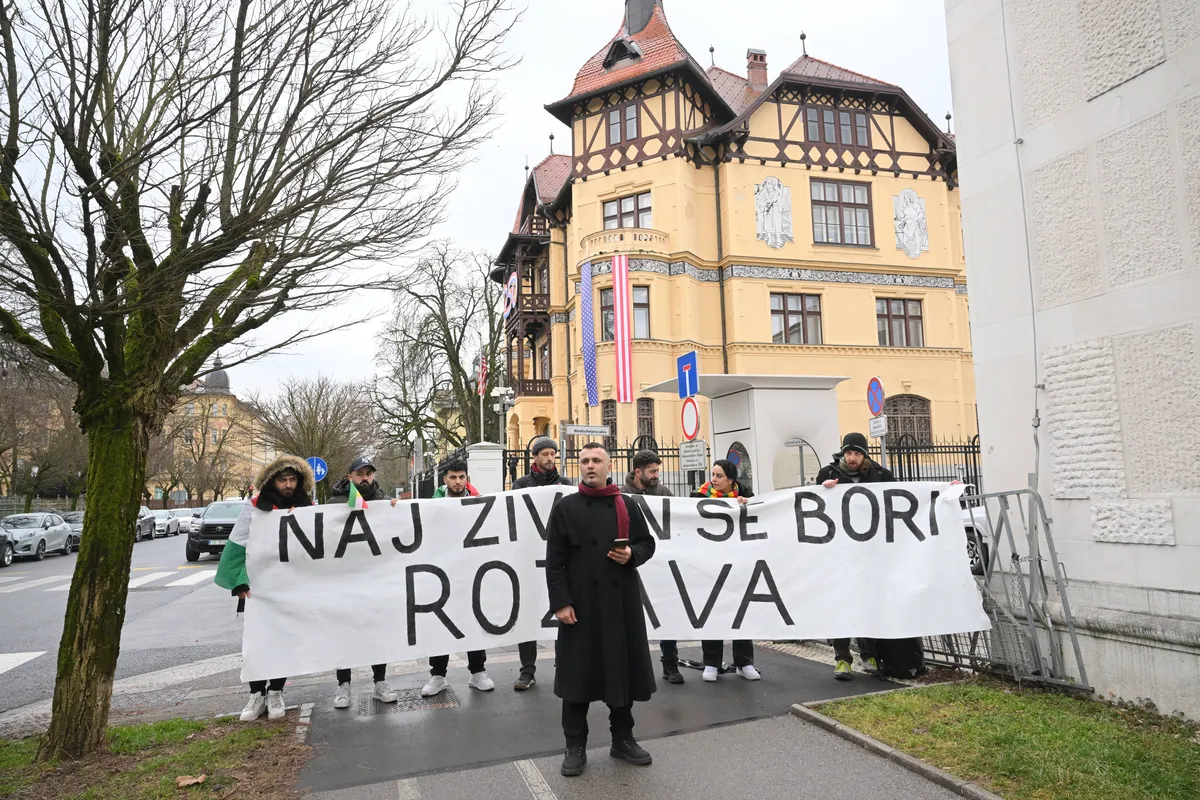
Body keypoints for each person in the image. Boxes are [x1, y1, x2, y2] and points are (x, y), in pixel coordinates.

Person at [546, 443, 657, 777]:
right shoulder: (566, 507)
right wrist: (561, 602)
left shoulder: (626, 504)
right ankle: (574, 746)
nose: (589, 466)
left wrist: (633, 555)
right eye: (584, 461)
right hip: (580, 604)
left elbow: (647, 543)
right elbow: (555, 561)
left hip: (619, 602)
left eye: (596, 461)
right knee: (577, 674)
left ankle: (622, 738)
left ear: (609, 466)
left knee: (619, 671)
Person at [215, 455, 315, 722]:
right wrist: (238, 581)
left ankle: (276, 691)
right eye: (283, 479)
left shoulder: (307, 508)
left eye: (293, 479)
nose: (288, 484)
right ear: (273, 481)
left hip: (289, 586)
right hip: (257, 587)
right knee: (257, 641)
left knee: (282, 639)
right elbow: (237, 545)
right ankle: (256, 693)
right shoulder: (255, 508)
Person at [817, 432, 895, 681]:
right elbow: (812, 504)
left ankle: (868, 654)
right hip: (838, 552)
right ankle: (842, 659)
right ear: (843, 452)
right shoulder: (828, 474)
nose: (852, 458)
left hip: (869, 552)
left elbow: (904, 497)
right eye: (848, 453)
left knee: (866, 603)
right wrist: (825, 491)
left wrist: (944, 491)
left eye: (857, 453)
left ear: (865, 454)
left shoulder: (881, 475)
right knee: (841, 604)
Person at [328, 457, 400, 709]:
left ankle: (380, 682)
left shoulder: (383, 501)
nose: (365, 478)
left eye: (369, 473)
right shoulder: (334, 504)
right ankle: (343, 685)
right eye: (360, 474)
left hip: (375, 580)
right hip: (345, 580)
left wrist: (395, 511)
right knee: (345, 633)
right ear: (350, 477)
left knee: (377, 632)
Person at [422, 458, 495, 696]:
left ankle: (478, 672)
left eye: (461, 477)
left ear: (467, 478)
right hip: (442, 573)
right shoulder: (432, 505)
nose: (457, 481)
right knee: (442, 622)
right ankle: (438, 675)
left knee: (473, 619)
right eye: (453, 477)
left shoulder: (478, 502)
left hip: (471, 571)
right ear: (445, 480)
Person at [510, 436, 572, 691]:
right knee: (529, 613)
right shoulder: (521, 484)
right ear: (535, 457)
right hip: (528, 558)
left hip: (557, 558)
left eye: (553, 454)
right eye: (544, 454)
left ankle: (564, 666)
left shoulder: (565, 484)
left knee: (561, 611)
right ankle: (527, 670)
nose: (549, 458)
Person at [691, 459, 761, 683]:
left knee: (741, 612)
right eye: (713, 474)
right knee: (712, 612)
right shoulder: (699, 497)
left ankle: (744, 662)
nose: (713, 479)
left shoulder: (747, 495)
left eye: (719, 476)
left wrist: (747, 504)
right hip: (710, 564)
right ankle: (711, 663)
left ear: (731, 480)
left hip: (739, 563)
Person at [621, 449, 683, 685]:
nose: (657, 475)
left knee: (666, 612)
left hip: (661, 564)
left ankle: (671, 664)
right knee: (630, 618)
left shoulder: (663, 492)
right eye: (653, 471)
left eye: (658, 470)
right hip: (633, 562)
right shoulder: (622, 495)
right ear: (638, 472)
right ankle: (629, 668)